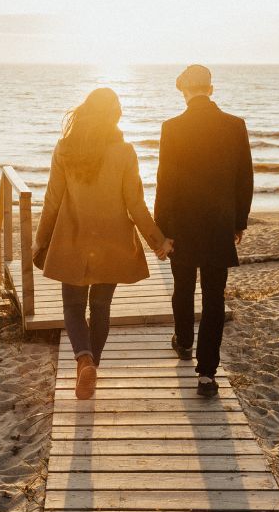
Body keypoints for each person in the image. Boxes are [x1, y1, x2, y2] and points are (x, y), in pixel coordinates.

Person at [33, 87, 172, 400]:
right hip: (112, 241)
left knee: (71, 306)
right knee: (101, 307)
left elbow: (52, 200)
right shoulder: (125, 152)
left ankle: (84, 360)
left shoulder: (65, 149)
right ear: (115, 116)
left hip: (72, 238)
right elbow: (136, 206)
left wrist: (40, 241)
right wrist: (158, 241)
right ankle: (92, 364)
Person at [154, 65, 253, 397]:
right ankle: (207, 373)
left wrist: (162, 230)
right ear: (210, 89)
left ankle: (183, 342)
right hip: (218, 225)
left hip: (181, 225)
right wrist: (238, 222)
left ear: (184, 91)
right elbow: (244, 179)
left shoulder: (172, 128)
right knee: (213, 298)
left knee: (183, 287)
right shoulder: (234, 126)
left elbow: (164, 184)